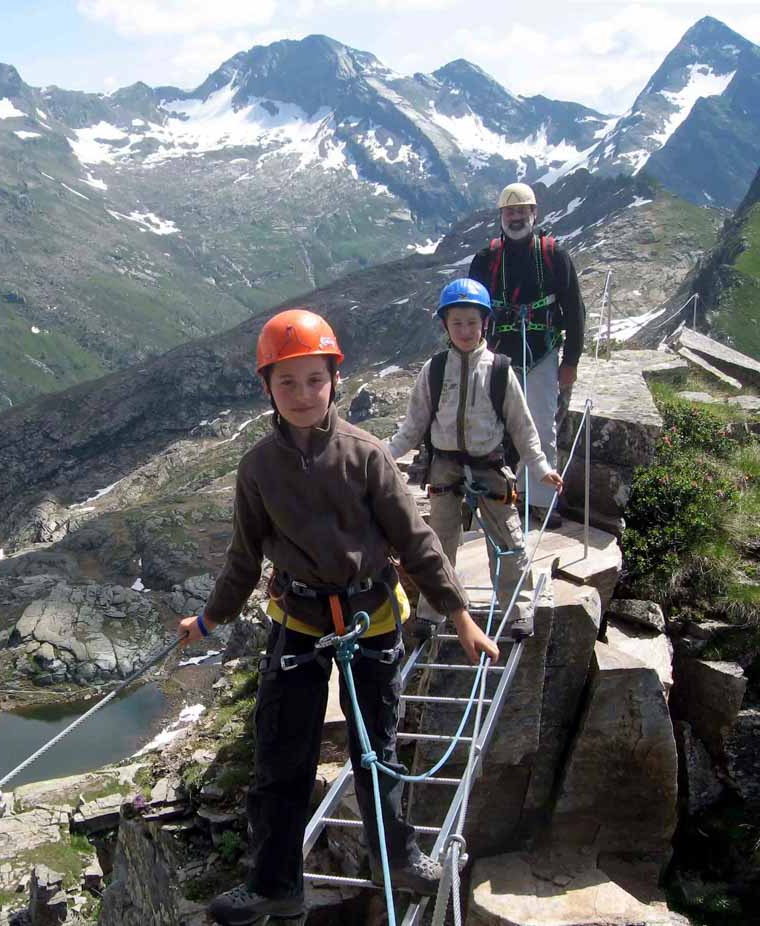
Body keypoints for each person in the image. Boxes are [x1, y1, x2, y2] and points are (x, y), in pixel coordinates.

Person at [177, 308, 499, 925]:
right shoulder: (258, 469)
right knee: (280, 756)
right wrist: (209, 621)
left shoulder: (366, 454)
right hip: (298, 620)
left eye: (314, 380)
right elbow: (243, 561)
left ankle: (395, 854)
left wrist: (458, 612)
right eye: (288, 382)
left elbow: (416, 540)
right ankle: (276, 884)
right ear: (268, 388)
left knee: (375, 749)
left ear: (334, 380)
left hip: (369, 617)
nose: (302, 394)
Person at [387, 279, 563, 641]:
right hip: (445, 467)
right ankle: (433, 612)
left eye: (471, 322)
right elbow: (414, 424)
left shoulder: (500, 370)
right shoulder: (434, 371)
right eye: (457, 323)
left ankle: (517, 608)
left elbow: (522, 426)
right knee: (439, 542)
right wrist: (382, 455)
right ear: (445, 325)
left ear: (485, 322)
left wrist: (541, 467)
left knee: (508, 538)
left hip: (489, 466)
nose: (465, 330)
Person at [468, 182, 585, 526]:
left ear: (534, 213)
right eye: (510, 211)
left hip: (541, 352)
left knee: (540, 426)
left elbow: (574, 310)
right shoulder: (486, 259)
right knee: (491, 427)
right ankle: (496, 496)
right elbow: (471, 309)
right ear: (501, 216)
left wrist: (571, 362)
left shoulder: (554, 256)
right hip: (497, 355)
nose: (516, 217)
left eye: (522, 211)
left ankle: (540, 501)